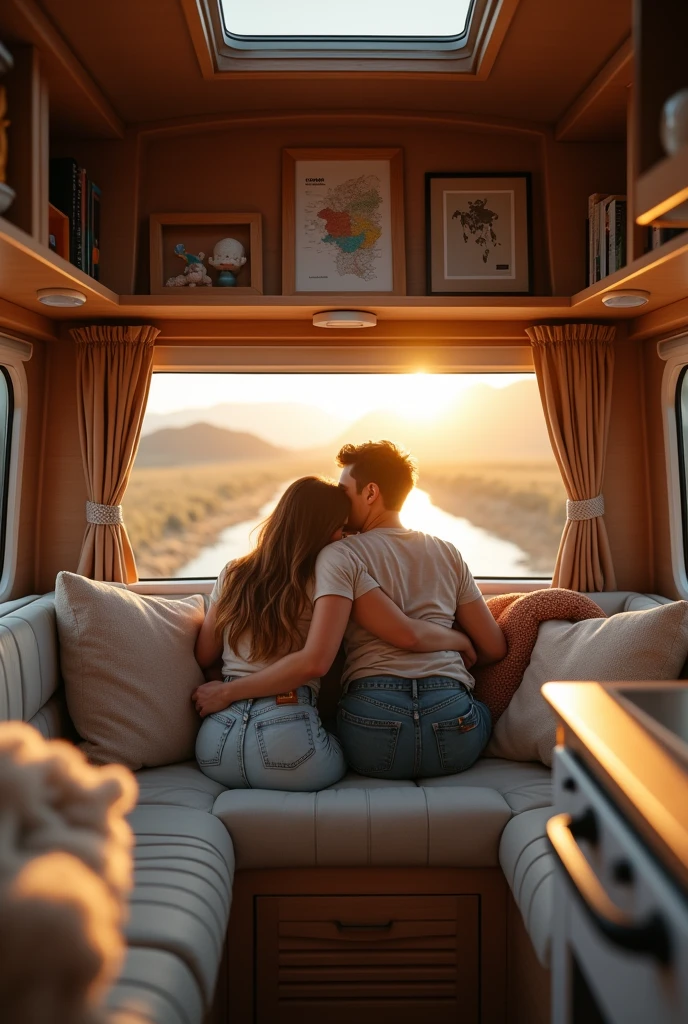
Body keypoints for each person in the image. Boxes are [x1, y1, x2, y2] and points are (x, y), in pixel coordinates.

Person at [194, 444, 506, 780]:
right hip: (449, 722)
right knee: (482, 714)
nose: (342, 508)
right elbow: (480, 646)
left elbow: (206, 653)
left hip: (231, 737)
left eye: (345, 491)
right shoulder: (446, 553)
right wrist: (457, 639)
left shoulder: (252, 569)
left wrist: (223, 688)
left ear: (371, 492)